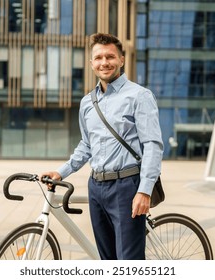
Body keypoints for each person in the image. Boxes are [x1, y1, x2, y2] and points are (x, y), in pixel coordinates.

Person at [41, 33, 163, 260]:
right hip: (96, 187)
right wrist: (62, 171)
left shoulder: (139, 96)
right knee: (107, 260)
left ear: (121, 60)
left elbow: (153, 146)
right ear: (91, 63)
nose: (104, 62)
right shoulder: (87, 102)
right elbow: (86, 145)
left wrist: (144, 190)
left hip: (127, 186)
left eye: (110, 57)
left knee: (129, 263)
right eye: (98, 58)